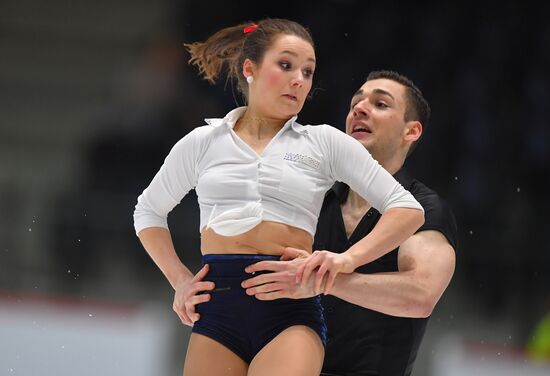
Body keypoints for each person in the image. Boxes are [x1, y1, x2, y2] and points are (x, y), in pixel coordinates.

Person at [133, 17, 424, 376]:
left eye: (308, 71)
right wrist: (179, 279)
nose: (299, 80)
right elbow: (148, 211)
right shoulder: (202, 142)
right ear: (250, 68)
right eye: (286, 65)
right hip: (216, 310)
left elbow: (407, 209)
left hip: (290, 313)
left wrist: (345, 260)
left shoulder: (324, 142)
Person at [242, 70, 457, 376]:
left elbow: (420, 295)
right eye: (356, 102)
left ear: (412, 131)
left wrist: (319, 280)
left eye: (380, 104)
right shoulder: (313, 195)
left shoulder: (423, 208)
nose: (360, 108)